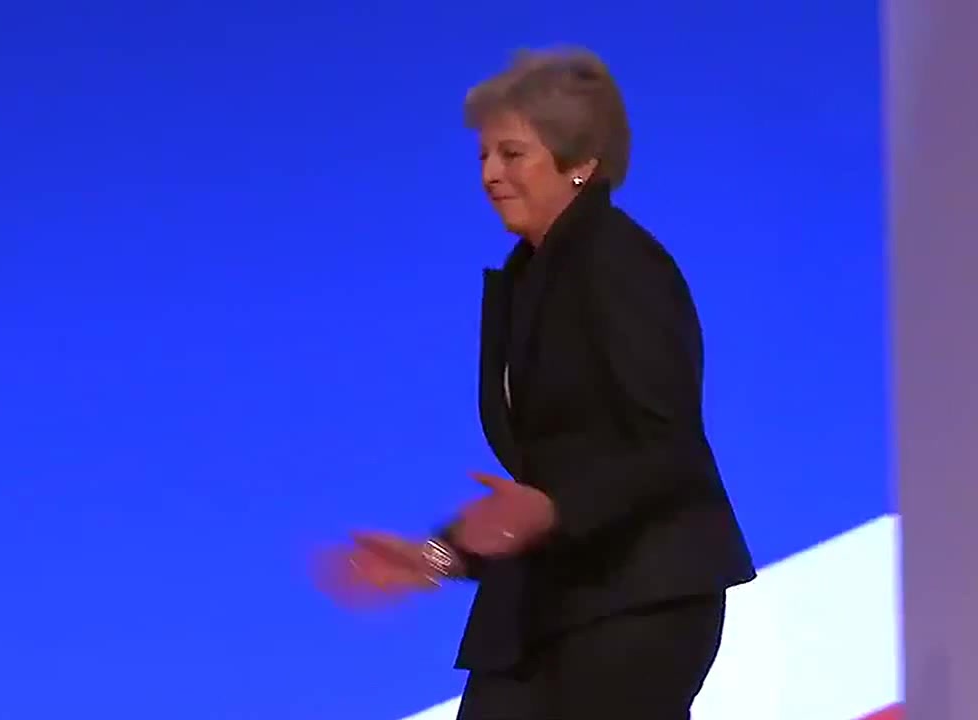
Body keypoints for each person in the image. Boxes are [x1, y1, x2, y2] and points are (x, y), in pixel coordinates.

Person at [319, 47, 757, 719]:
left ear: (580, 162)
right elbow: (537, 492)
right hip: (550, 602)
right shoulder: (529, 277)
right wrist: (436, 555)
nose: (489, 175)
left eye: (512, 154)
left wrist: (553, 511)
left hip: (637, 599)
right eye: (483, 157)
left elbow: (666, 447)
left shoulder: (619, 263)